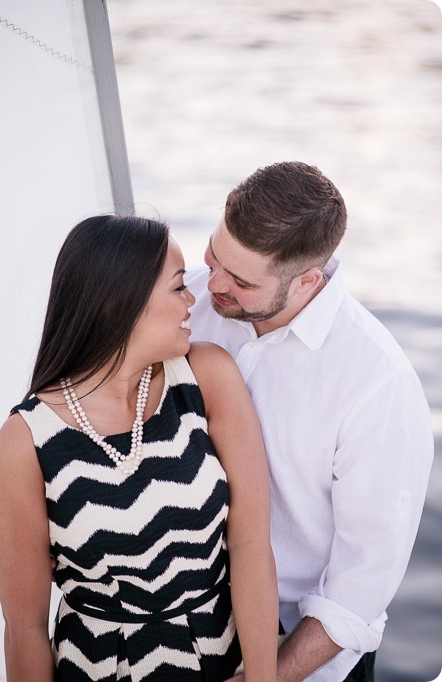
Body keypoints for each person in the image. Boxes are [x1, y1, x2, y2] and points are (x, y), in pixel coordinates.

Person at [0, 215, 278, 682]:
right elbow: (23, 629)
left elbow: (250, 546)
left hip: (226, 658)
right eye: (179, 287)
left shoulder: (207, 376)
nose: (193, 301)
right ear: (123, 302)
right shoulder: (25, 443)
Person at [185, 161, 434, 682]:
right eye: (214, 254)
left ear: (308, 280)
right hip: (188, 627)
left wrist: (265, 676)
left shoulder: (377, 386)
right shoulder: (187, 304)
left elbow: (359, 587)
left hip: (298, 652)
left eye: (241, 281)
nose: (213, 283)